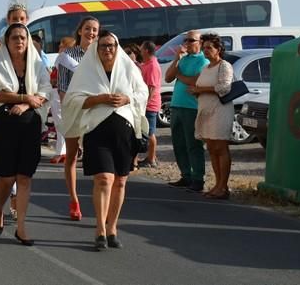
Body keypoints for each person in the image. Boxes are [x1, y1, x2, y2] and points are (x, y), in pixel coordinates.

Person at [62, 30, 148, 250]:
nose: (108, 49)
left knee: (120, 180)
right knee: (103, 178)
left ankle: (112, 227)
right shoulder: (86, 70)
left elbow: (142, 93)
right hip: (96, 130)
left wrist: (127, 98)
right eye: (103, 46)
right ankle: (100, 228)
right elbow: (72, 99)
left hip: (123, 131)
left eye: (111, 45)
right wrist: (98, 99)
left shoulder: (128, 68)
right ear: (96, 49)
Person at [0, 23, 50, 246]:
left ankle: (21, 227)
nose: (19, 41)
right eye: (15, 38)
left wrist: (26, 105)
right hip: (5, 126)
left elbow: (44, 91)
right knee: (6, 178)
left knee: (24, 177)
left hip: (30, 125)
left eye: (23, 37)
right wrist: (25, 99)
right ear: (8, 41)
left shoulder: (36, 63)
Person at [57, 16, 100, 220]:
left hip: (95, 111)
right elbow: (63, 87)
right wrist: (76, 104)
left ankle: (99, 200)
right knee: (72, 156)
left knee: (98, 159)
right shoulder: (68, 55)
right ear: (80, 31)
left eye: (95, 30)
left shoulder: (101, 54)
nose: (91, 33)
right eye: (88, 29)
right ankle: (74, 200)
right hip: (73, 109)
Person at [188, 33, 234, 199]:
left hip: (220, 111)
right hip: (205, 112)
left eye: (209, 48)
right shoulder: (205, 68)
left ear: (218, 49)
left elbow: (224, 88)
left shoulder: (225, 66)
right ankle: (217, 184)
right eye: (204, 47)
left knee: (221, 148)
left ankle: (223, 186)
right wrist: (196, 92)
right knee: (212, 149)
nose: (205, 50)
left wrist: (199, 90)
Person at [164, 30, 209, 192]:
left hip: (192, 107)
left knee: (193, 144)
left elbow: (194, 81)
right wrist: (177, 58)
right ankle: (186, 175)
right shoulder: (183, 59)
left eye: (191, 40)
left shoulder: (203, 61)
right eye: (186, 40)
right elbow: (168, 77)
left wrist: (180, 76)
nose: (187, 44)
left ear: (200, 42)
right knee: (179, 144)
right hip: (177, 106)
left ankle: (198, 178)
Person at [49, 36, 76, 164]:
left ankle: (62, 152)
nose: (59, 47)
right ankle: (63, 151)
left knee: (60, 123)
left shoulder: (63, 57)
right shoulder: (67, 58)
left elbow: (56, 76)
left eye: (62, 45)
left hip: (58, 92)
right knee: (61, 123)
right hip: (59, 92)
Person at [136, 40, 161, 168]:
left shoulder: (152, 65)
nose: (140, 51)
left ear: (146, 50)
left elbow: (151, 87)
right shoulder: (147, 64)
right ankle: (151, 157)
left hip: (150, 105)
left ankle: (151, 159)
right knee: (146, 131)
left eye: (141, 49)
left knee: (150, 132)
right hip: (146, 103)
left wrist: (145, 103)